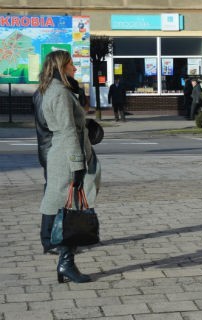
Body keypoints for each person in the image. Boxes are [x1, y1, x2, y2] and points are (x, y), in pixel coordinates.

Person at [38, 50, 101, 283]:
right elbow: (67, 129)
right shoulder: (60, 93)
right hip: (66, 157)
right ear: (61, 67)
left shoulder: (55, 90)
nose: (75, 68)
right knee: (70, 212)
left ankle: (64, 262)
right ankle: (66, 263)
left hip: (62, 155)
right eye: (71, 65)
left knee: (66, 209)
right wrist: (77, 163)